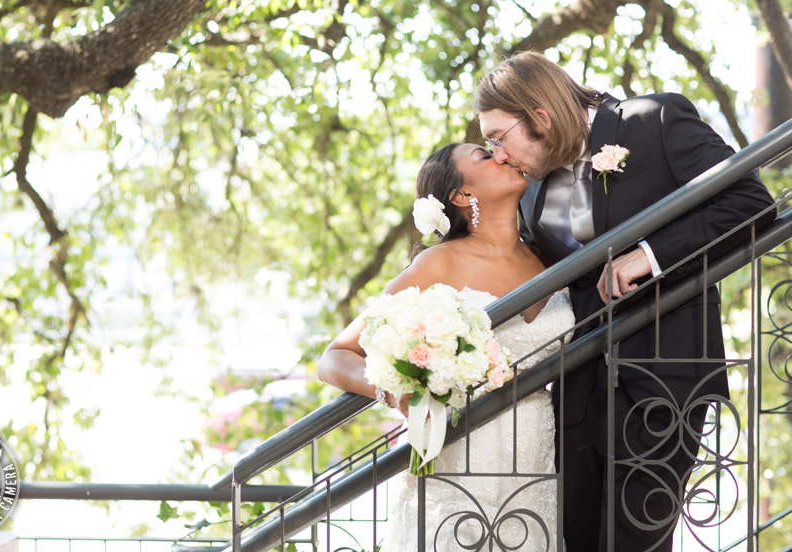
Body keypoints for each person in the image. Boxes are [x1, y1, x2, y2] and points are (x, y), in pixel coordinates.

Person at [473, 50, 776, 552]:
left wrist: (650, 255)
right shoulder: (529, 195)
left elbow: (749, 201)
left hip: (664, 381)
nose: (499, 156)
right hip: (576, 395)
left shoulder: (653, 120)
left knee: (636, 542)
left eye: (498, 139)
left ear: (541, 118)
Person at [317, 142, 575, 551]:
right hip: (457, 458)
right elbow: (334, 357)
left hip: (534, 458)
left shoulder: (551, 257)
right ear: (462, 195)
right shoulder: (439, 264)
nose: (503, 154)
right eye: (485, 155)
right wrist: (395, 392)